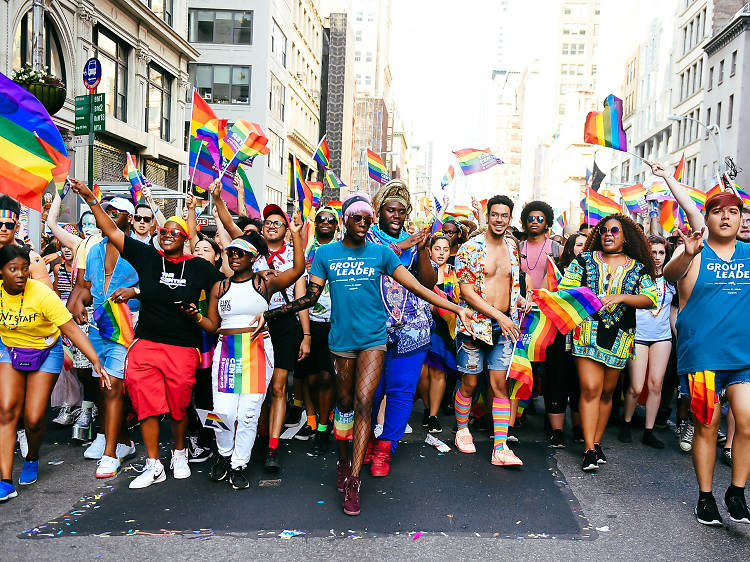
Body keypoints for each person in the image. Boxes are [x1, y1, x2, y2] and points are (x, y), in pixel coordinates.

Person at [263, 192, 474, 516]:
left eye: (366, 219)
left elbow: (419, 287)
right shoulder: (326, 254)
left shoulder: (381, 254)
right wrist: (274, 313)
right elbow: (311, 296)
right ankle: (343, 459)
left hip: (375, 339)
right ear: (344, 219)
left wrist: (457, 307)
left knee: (364, 403)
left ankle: (353, 480)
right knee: (345, 406)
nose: (362, 223)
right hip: (342, 342)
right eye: (356, 217)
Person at [69, 179, 224, 490]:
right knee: (147, 403)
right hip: (146, 344)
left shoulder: (199, 268)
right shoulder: (148, 258)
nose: (167, 236)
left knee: (179, 404)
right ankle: (154, 464)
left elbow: (231, 283)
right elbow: (113, 231)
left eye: (174, 233)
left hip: (182, 347)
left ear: (185, 239)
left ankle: (179, 452)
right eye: (163, 232)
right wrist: (89, 199)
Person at [648, 160, 750, 527]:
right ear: (707, 219)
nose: (726, 217)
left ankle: (736, 492)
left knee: (748, 422)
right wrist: (688, 252)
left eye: (733, 212)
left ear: (741, 219)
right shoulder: (694, 249)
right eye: (717, 212)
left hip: (744, 358)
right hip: (704, 356)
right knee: (707, 427)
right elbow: (670, 276)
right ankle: (705, 496)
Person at [184, 217, 304, 490]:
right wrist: (195, 317)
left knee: (249, 413)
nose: (235, 257)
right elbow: (213, 325)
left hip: (258, 351)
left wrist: (297, 234)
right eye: (231, 253)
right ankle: (224, 455)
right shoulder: (220, 287)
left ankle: (239, 464)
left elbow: (297, 270)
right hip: (226, 353)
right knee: (223, 412)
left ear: (253, 258)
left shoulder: (265, 283)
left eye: (241, 254)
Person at [0, 245, 110, 502]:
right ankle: (5, 480)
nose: (20, 274)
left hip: (46, 351)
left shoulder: (41, 295)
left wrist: (96, 362)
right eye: (13, 269)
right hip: (11, 350)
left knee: (34, 418)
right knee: (6, 411)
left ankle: (32, 456)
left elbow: (71, 330)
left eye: (24, 268)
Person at [558, 214, 657, 472]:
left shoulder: (637, 268)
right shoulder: (584, 261)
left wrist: (621, 296)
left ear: (626, 237)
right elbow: (564, 289)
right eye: (603, 230)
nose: (607, 233)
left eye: (614, 230)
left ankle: (598, 442)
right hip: (587, 331)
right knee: (590, 388)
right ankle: (589, 449)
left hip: (620, 334)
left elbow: (651, 298)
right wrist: (586, 296)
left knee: (607, 392)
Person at [365, 180, 436, 477]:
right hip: (372, 329)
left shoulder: (413, 241)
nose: (396, 215)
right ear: (380, 212)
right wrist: (403, 245)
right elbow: (369, 263)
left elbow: (429, 283)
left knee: (401, 391)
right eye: (390, 210)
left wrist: (421, 249)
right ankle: (365, 442)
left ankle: (385, 448)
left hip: (412, 329)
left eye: (401, 211)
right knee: (370, 392)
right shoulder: (366, 238)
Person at [453, 195, 530, 467]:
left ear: (510, 219)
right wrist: (499, 314)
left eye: (504, 215)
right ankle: (462, 429)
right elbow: (466, 292)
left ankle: (501, 447)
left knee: (500, 386)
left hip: (504, 326)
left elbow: (512, 283)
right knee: (470, 383)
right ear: (488, 216)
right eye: (495, 214)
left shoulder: (511, 248)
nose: (499, 219)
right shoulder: (470, 248)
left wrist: (520, 300)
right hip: (475, 325)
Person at [77, 197, 140, 478]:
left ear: (129, 218)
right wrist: (78, 304)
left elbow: (153, 288)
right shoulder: (93, 250)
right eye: (107, 211)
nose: (110, 215)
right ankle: (118, 439)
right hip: (98, 326)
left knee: (114, 386)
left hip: (127, 325)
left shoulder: (140, 251)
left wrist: (134, 294)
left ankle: (110, 453)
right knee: (103, 387)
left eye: (116, 212)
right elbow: (88, 288)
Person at [619, 235, 676, 449]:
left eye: (661, 253)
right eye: (653, 252)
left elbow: (673, 310)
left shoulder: (672, 279)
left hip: (662, 337)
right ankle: (626, 422)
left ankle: (649, 431)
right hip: (638, 336)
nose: (658, 257)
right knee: (635, 386)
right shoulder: (637, 276)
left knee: (656, 384)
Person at [294, 206, 340, 455]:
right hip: (308, 320)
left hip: (336, 322)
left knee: (327, 377)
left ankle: (323, 426)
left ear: (336, 225)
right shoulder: (305, 250)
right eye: (320, 218)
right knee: (310, 377)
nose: (324, 222)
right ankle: (312, 418)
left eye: (330, 219)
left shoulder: (343, 250)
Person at [543, 232, 586, 447]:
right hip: (558, 334)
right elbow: (545, 298)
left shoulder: (595, 272)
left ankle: (579, 427)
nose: (582, 248)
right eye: (579, 244)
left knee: (581, 383)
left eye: (586, 245)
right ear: (570, 248)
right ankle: (557, 431)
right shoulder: (555, 270)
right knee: (557, 381)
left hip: (586, 335)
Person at [418, 233, 460, 433]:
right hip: (420, 326)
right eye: (437, 249)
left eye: (445, 249)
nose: (441, 253)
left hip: (444, 329)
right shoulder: (420, 271)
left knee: (438, 372)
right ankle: (426, 407)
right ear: (429, 250)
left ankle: (433, 415)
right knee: (421, 375)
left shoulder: (456, 274)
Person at [520, 201, 562, 291]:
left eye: (540, 219)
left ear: (547, 224)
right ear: (525, 222)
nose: (535, 222)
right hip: (523, 302)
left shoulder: (557, 249)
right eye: (531, 219)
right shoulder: (517, 249)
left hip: (547, 302)